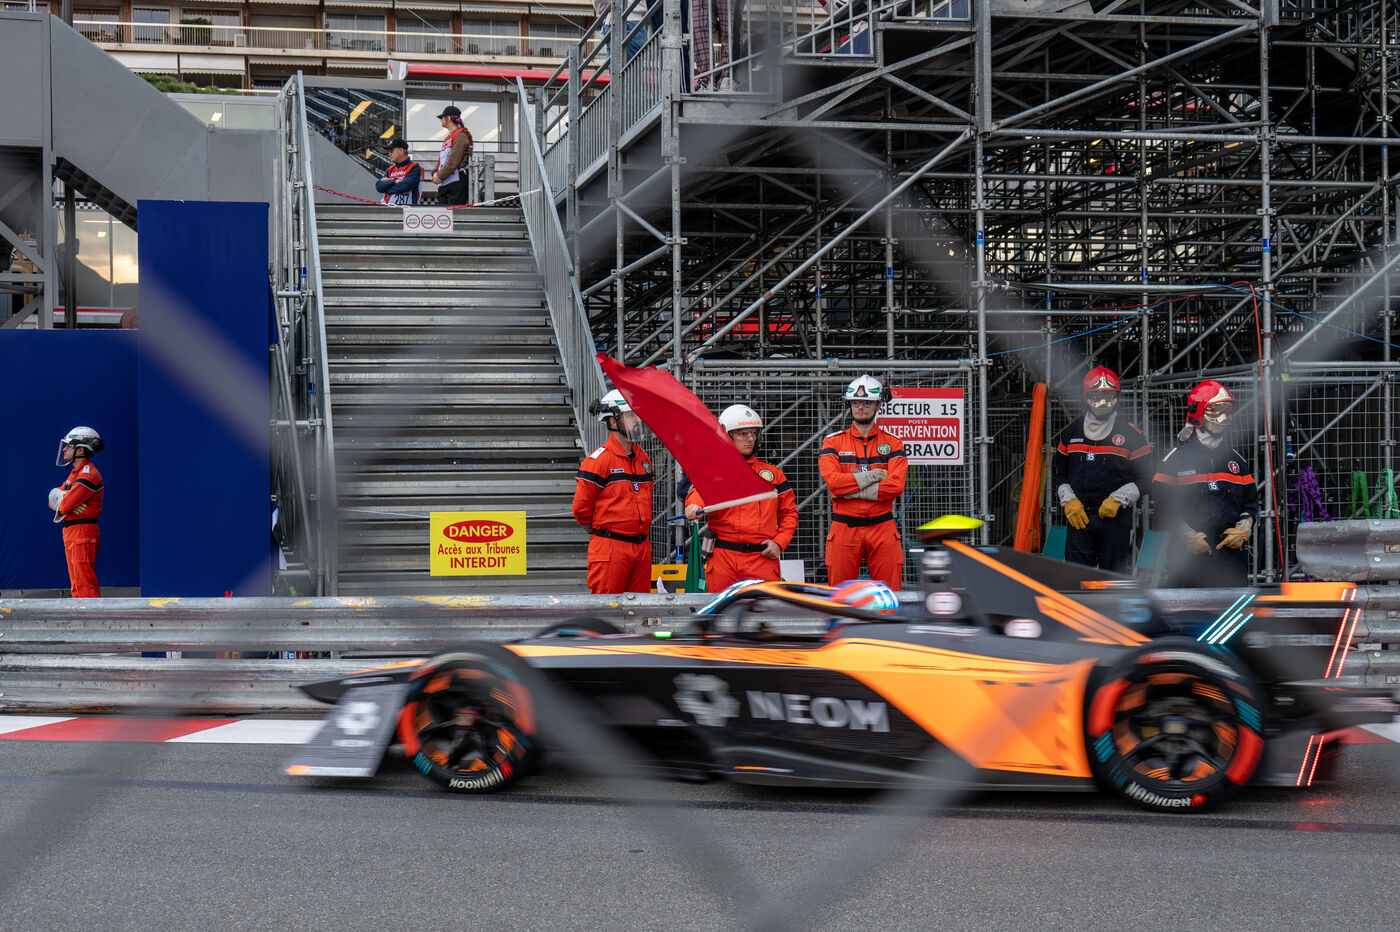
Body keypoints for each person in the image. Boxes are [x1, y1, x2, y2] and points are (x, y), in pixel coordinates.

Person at [1151, 380, 1258, 587]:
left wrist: (1245, 528)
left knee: (1234, 606)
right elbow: (1163, 506)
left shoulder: (1236, 461)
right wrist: (1186, 535)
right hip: (1188, 557)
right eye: (1216, 410)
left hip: (1231, 558)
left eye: (1227, 410)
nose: (1224, 417)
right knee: (1189, 607)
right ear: (1198, 413)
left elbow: (1250, 503)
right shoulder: (1175, 460)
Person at [683, 404, 798, 591]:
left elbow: (789, 513)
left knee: (763, 608)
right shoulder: (714, 471)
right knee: (720, 609)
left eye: (753, 433)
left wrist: (780, 542)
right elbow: (698, 493)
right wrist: (694, 506)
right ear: (726, 436)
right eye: (742, 434)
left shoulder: (773, 474)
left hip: (762, 558)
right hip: (723, 560)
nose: (750, 439)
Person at [1051, 366, 1152, 573]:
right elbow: (1059, 474)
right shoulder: (1070, 433)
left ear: (1117, 396)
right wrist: (1068, 500)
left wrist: (1119, 498)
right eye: (1096, 396)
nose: (1103, 402)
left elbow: (1147, 478)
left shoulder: (1132, 435)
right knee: (1076, 577)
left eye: (1108, 395)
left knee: (1113, 578)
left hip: (1115, 520)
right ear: (1085, 396)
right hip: (1079, 517)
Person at [818, 374, 908, 590]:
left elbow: (896, 486)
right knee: (840, 596)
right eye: (855, 402)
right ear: (849, 404)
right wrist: (875, 475)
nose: (860, 407)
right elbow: (834, 483)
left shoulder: (894, 443)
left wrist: (850, 491)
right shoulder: (832, 442)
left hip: (883, 526)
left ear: (878, 405)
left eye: (867, 402)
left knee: (889, 595)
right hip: (844, 527)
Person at [572, 389, 654, 593]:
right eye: (630, 416)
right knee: (608, 607)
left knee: (641, 608)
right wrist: (602, 533)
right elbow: (581, 509)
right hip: (610, 547)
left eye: (637, 415)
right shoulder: (598, 461)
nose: (637, 421)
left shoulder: (644, 459)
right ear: (613, 421)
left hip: (642, 547)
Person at [48, 426, 105, 598]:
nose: (64, 449)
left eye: (69, 446)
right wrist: (66, 500)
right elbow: (51, 500)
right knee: (76, 588)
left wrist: (64, 501)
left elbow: (64, 506)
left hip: (82, 533)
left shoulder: (88, 474)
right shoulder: (75, 474)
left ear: (80, 450)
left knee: (85, 588)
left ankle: (92, 617)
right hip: (72, 532)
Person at [432, 105, 473, 207]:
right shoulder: (449, 137)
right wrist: (435, 173)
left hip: (456, 182)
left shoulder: (461, 135)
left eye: (442, 117)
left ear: (448, 118)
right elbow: (442, 160)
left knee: (454, 214)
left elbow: (454, 160)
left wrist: (439, 176)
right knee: (441, 214)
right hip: (445, 181)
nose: (441, 120)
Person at [375, 136, 422, 206]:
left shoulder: (414, 167)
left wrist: (387, 188)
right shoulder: (390, 169)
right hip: (387, 208)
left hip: (407, 210)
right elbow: (379, 186)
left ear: (401, 151)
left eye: (391, 151)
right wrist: (394, 181)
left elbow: (405, 186)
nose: (389, 154)